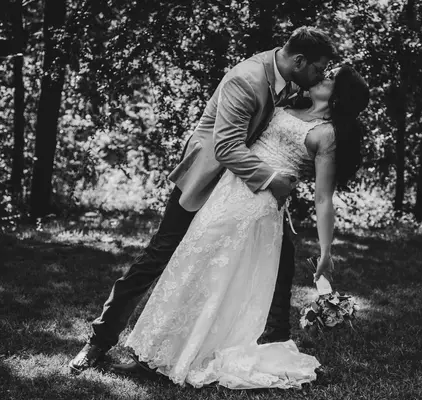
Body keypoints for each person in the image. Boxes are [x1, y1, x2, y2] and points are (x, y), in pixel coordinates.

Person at [68, 26, 336, 373]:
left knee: (281, 259)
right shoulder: (247, 79)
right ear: (299, 61)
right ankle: (98, 341)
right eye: (318, 69)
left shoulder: (289, 80)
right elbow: (226, 146)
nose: (320, 76)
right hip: (206, 180)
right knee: (158, 256)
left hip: (244, 192)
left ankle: (277, 346)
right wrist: (273, 179)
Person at [116, 64, 370, 389]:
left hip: (257, 206)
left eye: (331, 77)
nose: (323, 75)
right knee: (191, 264)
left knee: (216, 274)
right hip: (229, 188)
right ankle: (156, 353)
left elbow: (323, 198)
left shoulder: (327, 134)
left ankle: (184, 354)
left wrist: (325, 251)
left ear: (338, 96)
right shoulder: (289, 102)